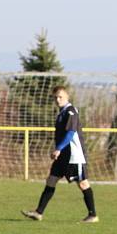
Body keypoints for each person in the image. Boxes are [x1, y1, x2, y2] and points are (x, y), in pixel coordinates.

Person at [22, 86, 98, 223]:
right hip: (63, 155)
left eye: (60, 97)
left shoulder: (71, 112)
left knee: (83, 183)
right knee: (51, 180)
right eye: (55, 97)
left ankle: (92, 215)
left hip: (74, 155)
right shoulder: (61, 113)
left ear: (67, 97)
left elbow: (70, 133)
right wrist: (60, 150)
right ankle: (38, 212)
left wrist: (58, 148)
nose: (57, 100)